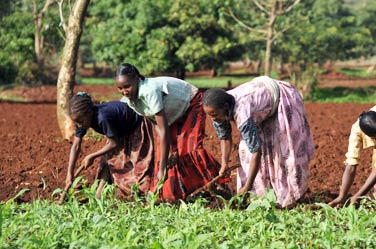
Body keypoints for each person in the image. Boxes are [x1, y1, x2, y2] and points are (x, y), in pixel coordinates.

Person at [115, 63, 229, 202]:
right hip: (170, 116)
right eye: (120, 88)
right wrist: (165, 157)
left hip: (191, 104)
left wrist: (163, 167)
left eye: (127, 86)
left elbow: (163, 131)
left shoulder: (149, 91)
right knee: (168, 155)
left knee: (190, 149)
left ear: (137, 79)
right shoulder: (130, 99)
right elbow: (154, 121)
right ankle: (177, 194)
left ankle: (218, 184)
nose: (124, 91)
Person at [202, 76, 315, 208]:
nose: (213, 118)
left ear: (225, 107)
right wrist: (224, 164)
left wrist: (247, 186)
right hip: (259, 108)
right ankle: (259, 197)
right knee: (245, 153)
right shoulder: (217, 110)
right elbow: (225, 138)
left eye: (214, 115)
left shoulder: (241, 110)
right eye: (210, 115)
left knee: (285, 150)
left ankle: (292, 197)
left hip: (282, 100)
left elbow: (256, 151)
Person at [65, 92, 154, 198]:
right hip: (118, 131)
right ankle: (99, 193)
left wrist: (92, 156)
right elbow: (75, 146)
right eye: (76, 122)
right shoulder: (82, 120)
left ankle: (144, 191)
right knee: (107, 161)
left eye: (80, 121)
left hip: (135, 127)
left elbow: (114, 143)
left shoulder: (102, 118)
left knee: (137, 165)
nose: (79, 125)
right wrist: (69, 173)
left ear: (89, 112)